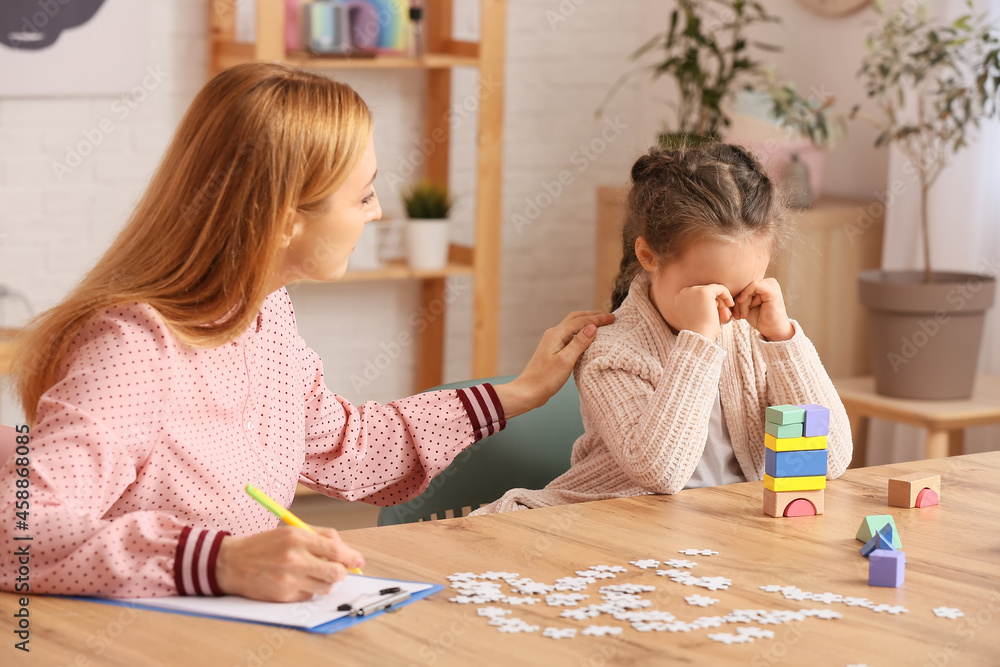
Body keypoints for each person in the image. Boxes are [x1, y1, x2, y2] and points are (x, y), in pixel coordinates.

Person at [0, 62, 613, 601]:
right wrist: (218, 560)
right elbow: (16, 528)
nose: (376, 213)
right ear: (287, 217)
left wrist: (521, 393)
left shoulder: (266, 316)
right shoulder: (133, 347)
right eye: (365, 194)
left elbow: (351, 447)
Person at [472, 143, 852, 515]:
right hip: (622, 526)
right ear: (648, 256)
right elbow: (661, 473)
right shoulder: (610, 352)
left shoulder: (756, 335)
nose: (728, 309)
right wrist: (698, 344)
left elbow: (831, 459)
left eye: (741, 290)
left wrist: (783, 340)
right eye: (708, 290)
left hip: (730, 532)